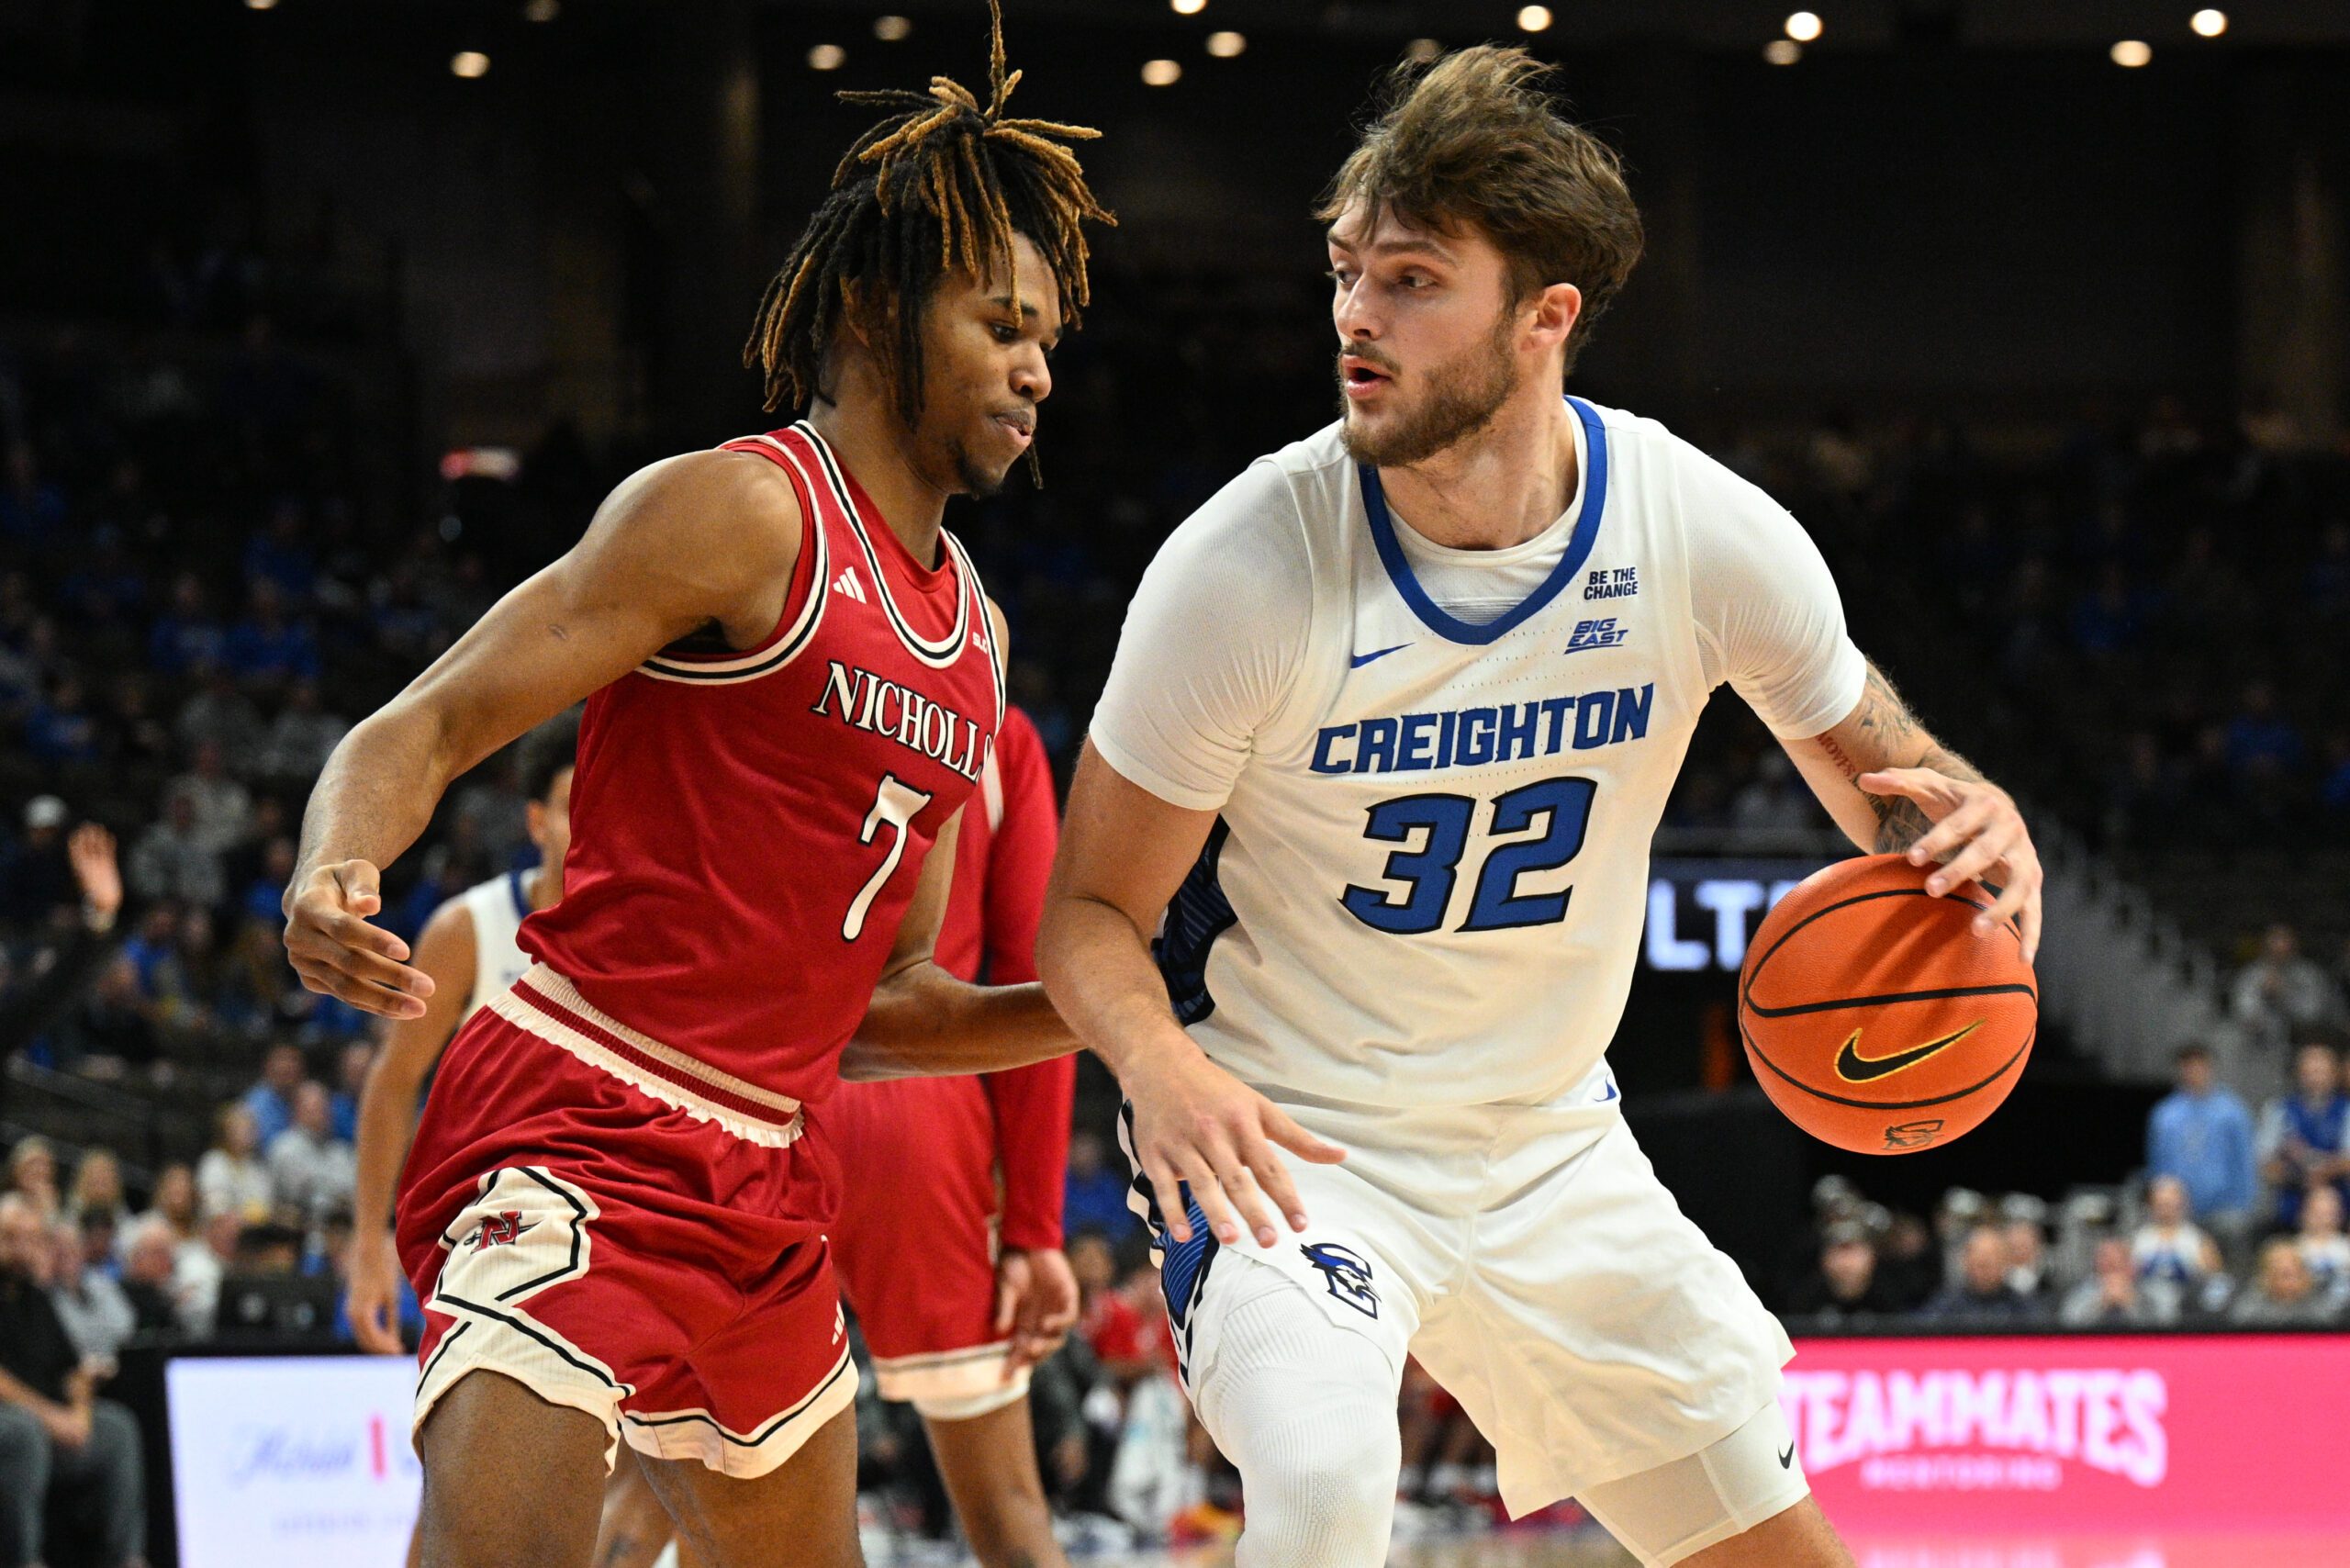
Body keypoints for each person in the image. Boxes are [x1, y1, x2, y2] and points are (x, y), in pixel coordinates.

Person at [1036, 45, 2042, 1568]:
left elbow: (1894, 789)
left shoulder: (1696, 531)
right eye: (1345, 271)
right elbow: (1090, 913)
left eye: (1414, 280)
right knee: (1317, 1488)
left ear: (1544, 316)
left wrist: (1980, 825)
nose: (1356, 318)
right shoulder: (1248, 564)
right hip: (1296, 1143)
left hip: (1549, 1144)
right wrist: (1159, 1067)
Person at [277, 7, 1105, 1562]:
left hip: (769, 1171)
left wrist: (1116, 999)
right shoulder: (738, 515)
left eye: (1048, 336)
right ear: (873, 306)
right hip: (576, 1110)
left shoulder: (975, 643)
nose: (1037, 367)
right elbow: (422, 726)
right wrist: (337, 864)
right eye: (1002, 323)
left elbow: (884, 1005)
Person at [346, 711, 581, 1353]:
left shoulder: (652, 937)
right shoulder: (467, 931)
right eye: (569, 805)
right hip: (493, 1221)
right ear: (536, 822)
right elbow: (393, 1083)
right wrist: (371, 1241)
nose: (590, 821)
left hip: (608, 1216)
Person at [0, 1195, 148, 1568]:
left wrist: (80, 1414)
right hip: (14, 1424)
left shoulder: (36, 1298)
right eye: (10, 1237)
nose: (22, 1248)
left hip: (53, 1425)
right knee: (23, 1433)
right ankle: (25, 1559)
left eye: (32, 1238)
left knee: (117, 1427)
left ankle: (126, 1557)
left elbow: (75, 1369)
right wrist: (53, 1419)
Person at [2144, 1043, 2258, 1251]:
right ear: (2180, 1070)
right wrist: (2160, 1203)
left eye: (2200, 1066)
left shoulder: (2232, 1111)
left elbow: (2245, 1161)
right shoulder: (2165, 1115)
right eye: (2189, 1067)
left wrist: (2245, 1205)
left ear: (2210, 1067)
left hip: (2226, 1208)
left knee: (2227, 1267)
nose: (2194, 1072)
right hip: (2179, 1211)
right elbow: (2157, 1164)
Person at [2255, 1038, 2350, 1229]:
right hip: (2290, 1206)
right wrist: (2296, 1176)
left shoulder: (2346, 1111)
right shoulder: (2279, 1110)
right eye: (2310, 1071)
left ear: (2333, 1074)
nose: (2315, 1077)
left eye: (2321, 1071)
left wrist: (2323, 1171)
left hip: (2341, 1207)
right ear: (2299, 1073)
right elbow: (2264, 1162)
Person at [265, 1081, 356, 1227]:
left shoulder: (341, 1151)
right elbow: (297, 1199)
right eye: (313, 1108)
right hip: (299, 1234)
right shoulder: (284, 1148)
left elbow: (354, 1193)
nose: (320, 1114)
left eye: (323, 1107)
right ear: (297, 1111)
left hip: (343, 1233)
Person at [1917, 1226, 2042, 1326]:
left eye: (1990, 1262)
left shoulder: (2023, 1308)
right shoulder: (1945, 1305)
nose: (1984, 1271)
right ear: (1966, 1262)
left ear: (2006, 1263)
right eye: (1979, 1264)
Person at [1781, 1221, 1900, 1325]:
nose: (1847, 1263)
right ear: (1824, 1259)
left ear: (1872, 1257)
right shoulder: (1804, 1301)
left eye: (1854, 1252)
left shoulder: (1892, 1298)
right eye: (1839, 1252)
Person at [194, 1103, 272, 1224]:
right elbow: (216, 1209)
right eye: (240, 1128)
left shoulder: (256, 1166)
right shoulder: (214, 1163)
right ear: (226, 1132)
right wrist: (249, 1214)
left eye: (250, 1128)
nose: (248, 1134)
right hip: (219, 1231)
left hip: (255, 1233)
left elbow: (266, 1204)